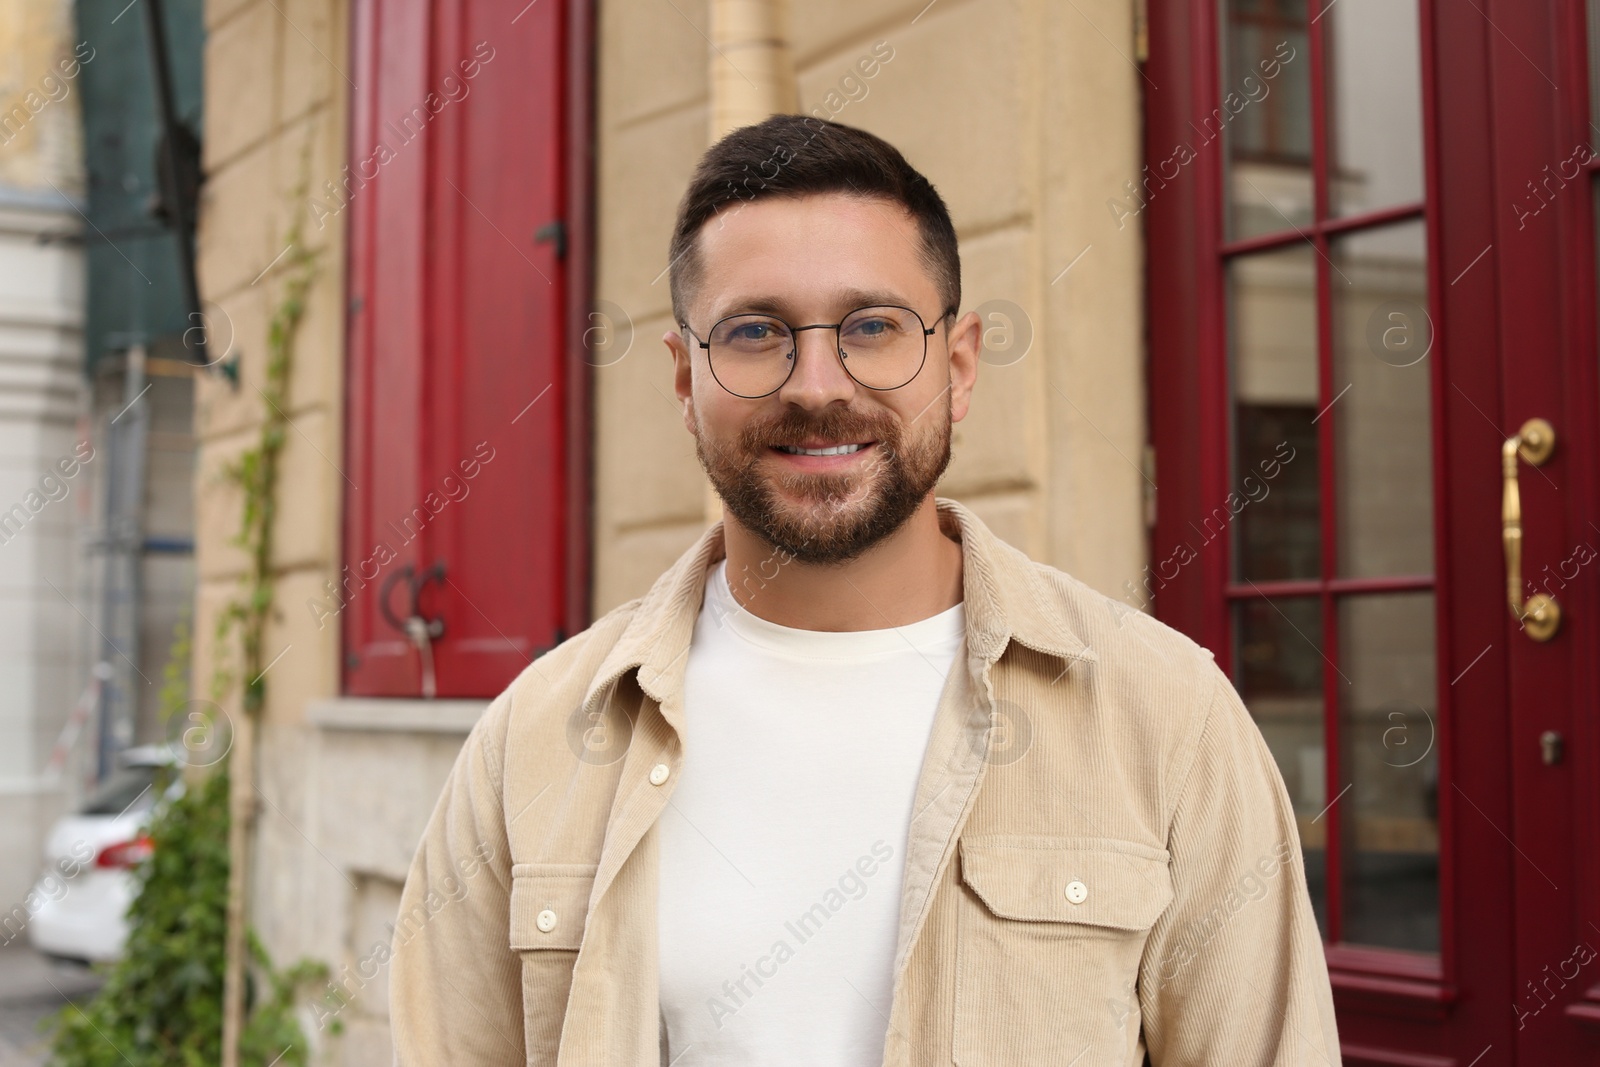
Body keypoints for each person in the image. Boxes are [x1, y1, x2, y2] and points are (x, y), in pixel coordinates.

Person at [390, 113, 1340, 1066]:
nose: (816, 384)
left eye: (873, 327)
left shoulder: (1168, 718)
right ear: (685, 381)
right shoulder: (536, 742)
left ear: (958, 365)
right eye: (754, 331)